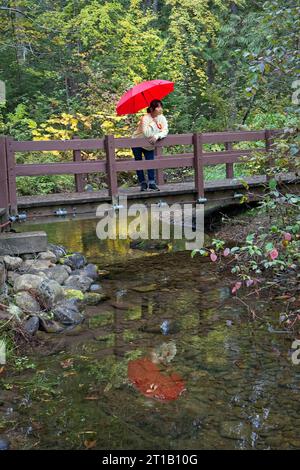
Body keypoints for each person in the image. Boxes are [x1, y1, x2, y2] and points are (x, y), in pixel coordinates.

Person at [132, 99, 169, 191]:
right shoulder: (145, 118)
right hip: (137, 142)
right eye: (158, 107)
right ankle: (143, 183)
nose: (160, 109)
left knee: (150, 162)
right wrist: (153, 122)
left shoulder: (162, 118)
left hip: (150, 144)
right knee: (139, 163)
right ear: (152, 109)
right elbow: (147, 134)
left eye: (161, 107)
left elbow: (165, 130)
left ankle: (152, 183)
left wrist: (157, 136)